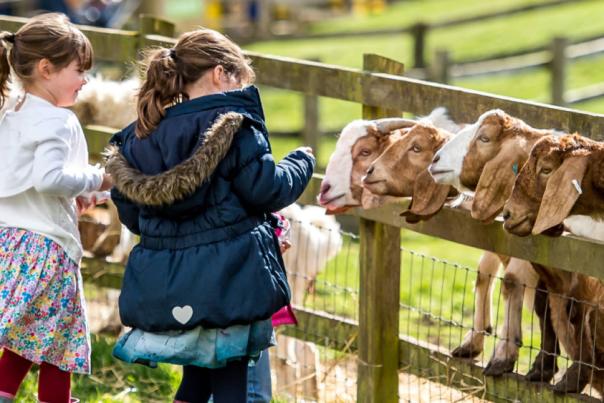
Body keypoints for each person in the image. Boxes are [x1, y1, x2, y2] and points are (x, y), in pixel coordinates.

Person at [106, 27, 315, 402]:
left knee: (196, 379)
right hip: (229, 282)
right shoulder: (235, 128)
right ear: (221, 74)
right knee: (231, 379)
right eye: (240, 80)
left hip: (171, 282)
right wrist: (302, 161)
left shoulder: (140, 138)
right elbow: (268, 190)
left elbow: (132, 213)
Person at [0, 13, 112, 403]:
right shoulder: (57, 120)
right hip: (48, 250)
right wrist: (99, 180)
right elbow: (50, 178)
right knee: (59, 346)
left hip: (9, 245)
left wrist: (81, 192)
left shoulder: (9, 113)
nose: (85, 80)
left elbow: (31, 180)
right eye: (79, 70)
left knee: (27, 335)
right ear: (46, 69)